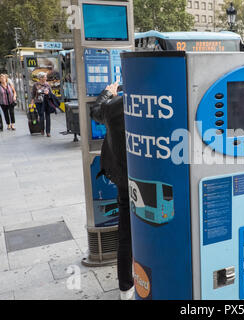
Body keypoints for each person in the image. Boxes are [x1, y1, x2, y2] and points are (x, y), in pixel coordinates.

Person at [90, 82, 134, 300]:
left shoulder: (115, 104)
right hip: (157, 179)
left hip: (124, 178)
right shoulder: (167, 101)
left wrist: (108, 92)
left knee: (126, 234)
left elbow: (95, 111)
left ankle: (126, 288)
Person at [31, 72, 53, 137]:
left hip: (46, 102)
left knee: (48, 116)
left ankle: (48, 132)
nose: (46, 78)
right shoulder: (35, 85)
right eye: (45, 77)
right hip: (38, 102)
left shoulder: (47, 85)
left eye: (46, 77)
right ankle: (42, 129)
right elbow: (33, 94)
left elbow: (51, 94)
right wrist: (32, 103)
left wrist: (49, 96)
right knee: (41, 116)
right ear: (41, 78)